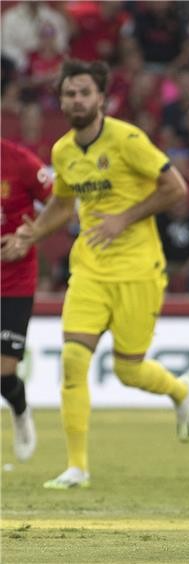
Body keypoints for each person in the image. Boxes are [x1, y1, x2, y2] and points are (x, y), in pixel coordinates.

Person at [7, 60, 189, 489]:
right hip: (90, 269)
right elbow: (61, 204)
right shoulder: (62, 151)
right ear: (61, 100)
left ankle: (181, 391)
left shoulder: (128, 139)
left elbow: (176, 188)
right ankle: (77, 466)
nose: (76, 100)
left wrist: (124, 219)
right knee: (74, 361)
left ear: (101, 98)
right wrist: (31, 235)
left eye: (84, 93)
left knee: (129, 371)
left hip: (138, 270)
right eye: (69, 94)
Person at [0, 138, 52, 462]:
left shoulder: (20, 161)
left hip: (13, 282)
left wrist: (28, 236)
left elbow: (62, 202)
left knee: (3, 374)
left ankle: (20, 411)